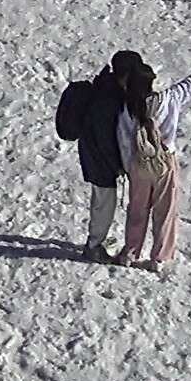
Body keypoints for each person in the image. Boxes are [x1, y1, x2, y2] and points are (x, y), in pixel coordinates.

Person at [114, 47, 191, 274]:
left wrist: (128, 168)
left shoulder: (127, 108)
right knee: (165, 211)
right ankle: (159, 257)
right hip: (164, 163)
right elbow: (188, 86)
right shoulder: (168, 99)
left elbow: (124, 140)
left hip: (138, 166)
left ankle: (130, 252)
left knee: (137, 211)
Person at [55, 54, 134, 259]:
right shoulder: (107, 101)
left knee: (100, 200)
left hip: (93, 155)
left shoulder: (107, 89)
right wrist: (117, 165)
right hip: (99, 161)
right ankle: (94, 246)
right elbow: (105, 139)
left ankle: (96, 238)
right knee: (104, 203)